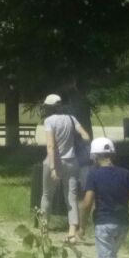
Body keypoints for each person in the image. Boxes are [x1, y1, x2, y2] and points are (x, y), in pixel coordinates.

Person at [40, 94, 89, 244]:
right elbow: (86, 136)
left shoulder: (49, 121)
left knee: (47, 195)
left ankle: (44, 231)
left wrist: (53, 168)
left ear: (49, 108)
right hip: (72, 162)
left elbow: (50, 146)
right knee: (71, 197)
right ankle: (72, 233)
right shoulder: (71, 118)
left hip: (54, 162)